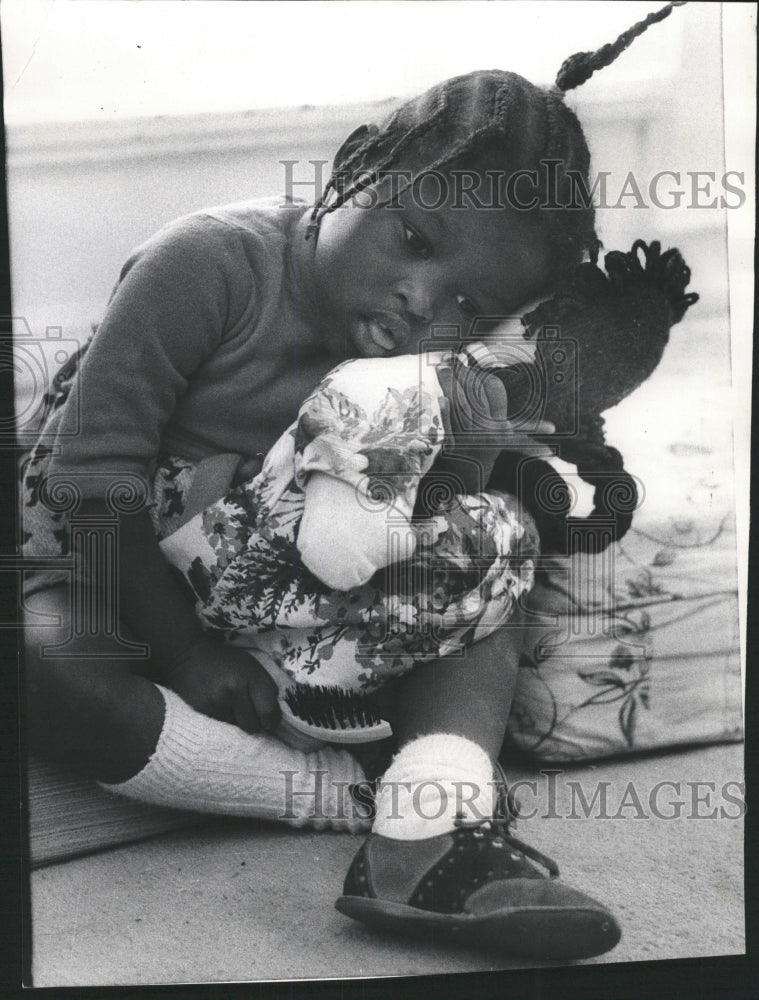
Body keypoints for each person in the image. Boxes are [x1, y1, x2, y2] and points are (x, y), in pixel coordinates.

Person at [21, 2, 690, 962]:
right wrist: (178, 647)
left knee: (494, 585)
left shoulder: (444, 368)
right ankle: (347, 800)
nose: (424, 300)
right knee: (44, 661)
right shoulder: (209, 264)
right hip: (117, 562)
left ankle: (434, 797)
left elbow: (441, 515)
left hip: (298, 593)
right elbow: (93, 484)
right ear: (352, 170)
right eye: (414, 242)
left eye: (469, 301)